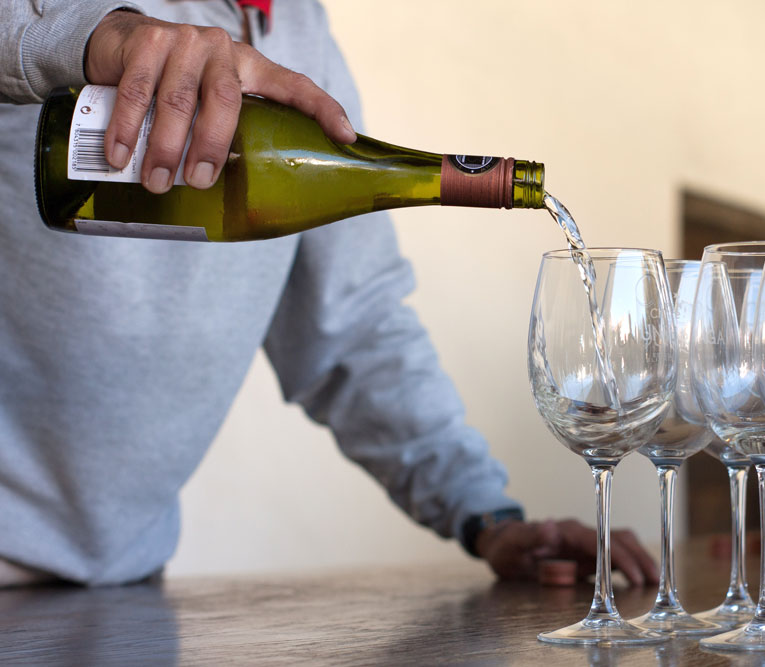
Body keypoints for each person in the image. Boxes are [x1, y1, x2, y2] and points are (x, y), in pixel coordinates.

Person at [0, 1, 657, 587]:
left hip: (121, 584)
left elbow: (355, 329)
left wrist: (486, 515)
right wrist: (89, 35)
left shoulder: (303, 37)